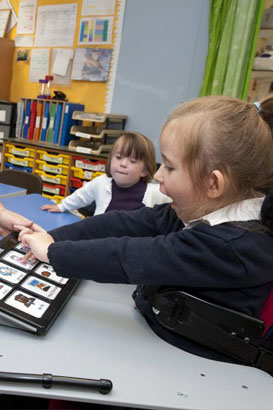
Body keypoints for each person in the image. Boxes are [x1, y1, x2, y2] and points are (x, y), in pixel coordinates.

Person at [18, 95, 273, 364]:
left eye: (170, 167)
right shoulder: (200, 212)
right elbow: (126, 222)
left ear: (213, 184)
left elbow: (133, 256)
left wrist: (53, 252)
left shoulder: (235, 245)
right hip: (157, 338)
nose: (159, 175)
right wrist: (52, 237)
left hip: (191, 369)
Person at [40, 132, 171, 215]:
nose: (123, 164)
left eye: (132, 161)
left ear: (145, 170)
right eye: (118, 157)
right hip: (100, 242)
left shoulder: (154, 193)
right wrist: (62, 206)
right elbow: (81, 196)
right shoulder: (101, 182)